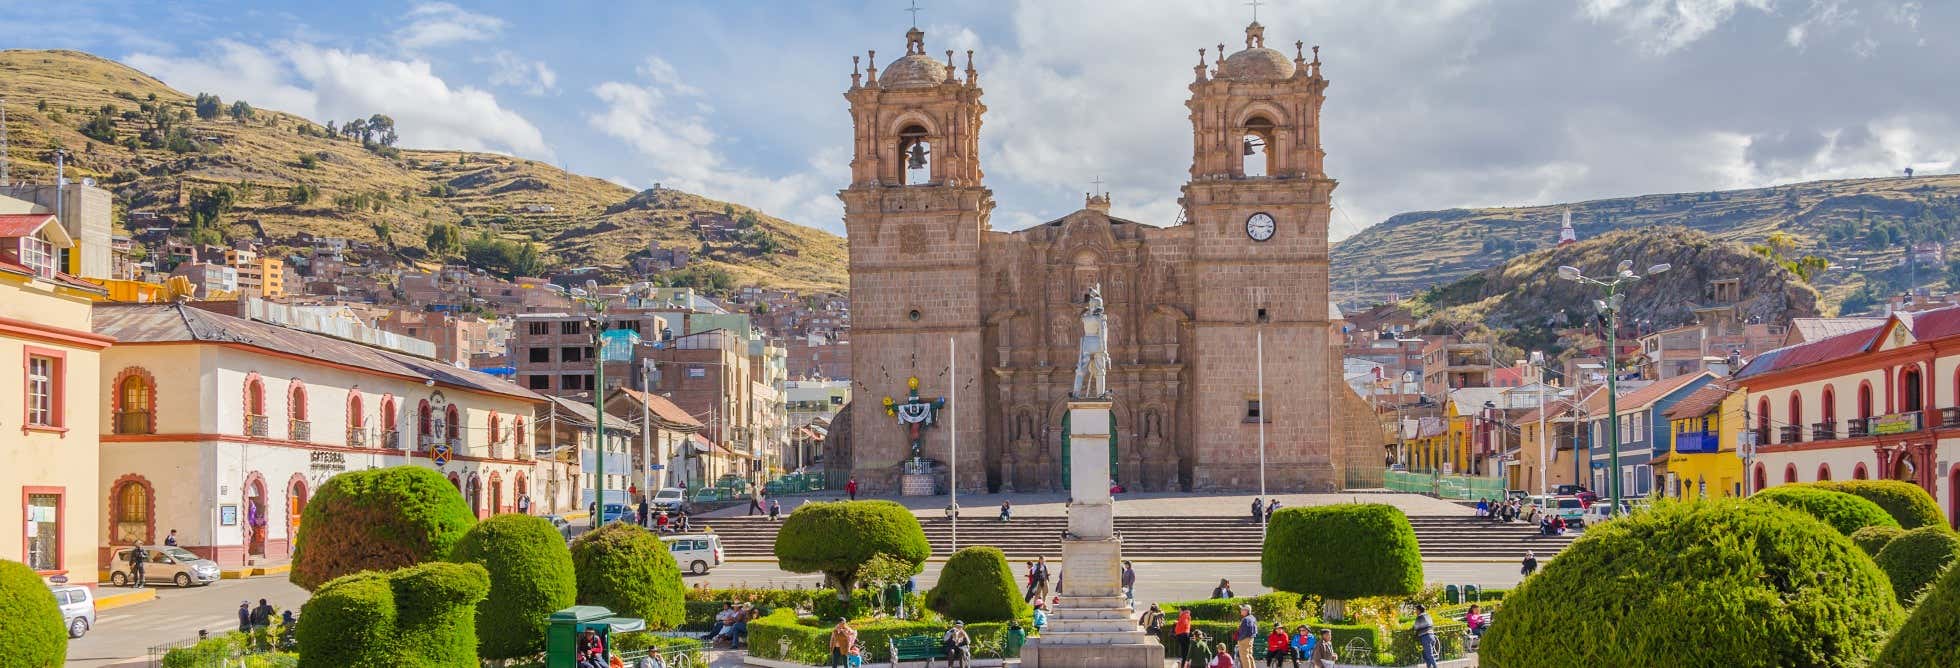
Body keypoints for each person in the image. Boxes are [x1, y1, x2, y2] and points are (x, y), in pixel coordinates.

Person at [1412, 604, 1439, 668]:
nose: (1415, 612)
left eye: (1416, 610)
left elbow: (1416, 627)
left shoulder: (1419, 617)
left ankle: (1435, 666)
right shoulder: (1428, 615)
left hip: (1425, 637)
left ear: (1419, 610)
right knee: (1426, 655)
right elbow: (1431, 624)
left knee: (1429, 655)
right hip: (1432, 636)